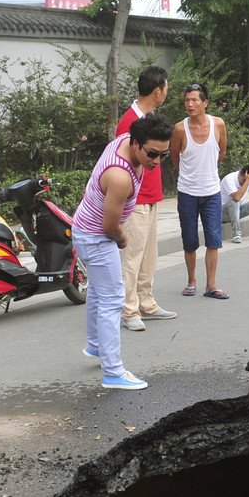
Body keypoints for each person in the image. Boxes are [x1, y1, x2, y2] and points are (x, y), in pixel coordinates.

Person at [72, 112, 175, 390]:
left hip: (85, 229)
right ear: (136, 143)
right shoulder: (119, 176)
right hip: (96, 237)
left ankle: (96, 346)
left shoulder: (124, 140)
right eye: (152, 154)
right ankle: (114, 372)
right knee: (112, 299)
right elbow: (109, 225)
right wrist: (122, 239)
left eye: (163, 155)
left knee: (97, 290)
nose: (156, 162)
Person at [115, 67, 178, 333]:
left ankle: (147, 303)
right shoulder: (129, 121)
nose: (168, 91)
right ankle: (128, 310)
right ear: (158, 90)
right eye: (167, 87)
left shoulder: (150, 118)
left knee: (148, 256)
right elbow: (120, 164)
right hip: (135, 200)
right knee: (131, 257)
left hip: (151, 198)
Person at [170, 83, 229, 299]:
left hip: (212, 191)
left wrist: (208, 171)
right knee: (190, 239)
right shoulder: (179, 129)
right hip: (187, 192)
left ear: (205, 103)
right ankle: (191, 281)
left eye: (194, 100)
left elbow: (221, 151)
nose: (190, 104)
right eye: (187, 100)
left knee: (214, 238)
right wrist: (190, 175)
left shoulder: (218, 124)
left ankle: (211, 285)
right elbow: (175, 158)